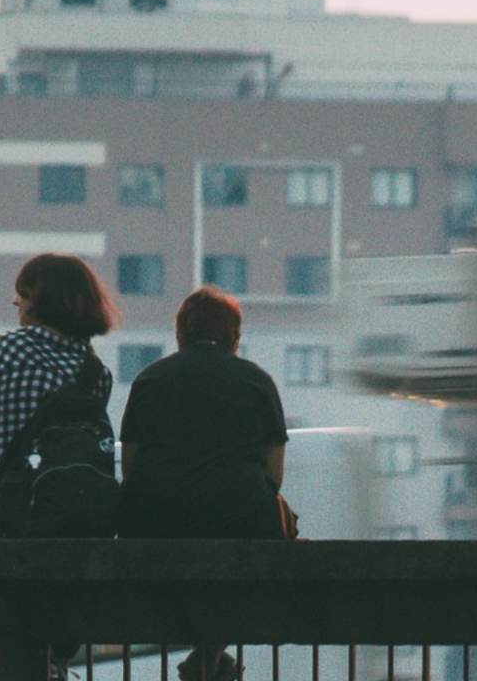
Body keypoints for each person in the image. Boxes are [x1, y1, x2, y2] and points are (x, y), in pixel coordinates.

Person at [119, 286, 293, 681]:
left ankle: (206, 657)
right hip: (241, 518)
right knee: (264, 540)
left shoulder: (150, 379)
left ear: (180, 333)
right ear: (235, 335)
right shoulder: (257, 381)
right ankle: (211, 658)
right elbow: (274, 475)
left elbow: (131, 466)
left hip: (154, 521)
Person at [0, 252, 119, 530]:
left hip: (6, 515)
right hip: (77, 521)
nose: (15, 301)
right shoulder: (97, 373)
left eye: (23, 294)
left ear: (40, 300)